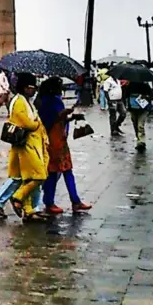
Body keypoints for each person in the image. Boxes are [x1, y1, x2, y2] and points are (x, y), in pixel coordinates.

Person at [37, 77, 91, 215]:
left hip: (59, 139)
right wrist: (66, 113)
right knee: (55, 172)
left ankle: (74, 200)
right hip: (54, 141)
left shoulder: (45, 100)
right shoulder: (50, 102)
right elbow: (54, 118)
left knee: (66, 171)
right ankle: (50, 201)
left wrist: (70, 116)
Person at [0, 73, 49, 221]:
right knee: (40, 176)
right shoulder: (19, 102)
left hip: (34, 144)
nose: (34, 91)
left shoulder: (27, 101)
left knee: (28, 179)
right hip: (26, 145)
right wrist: (37, 124)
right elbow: (26, 123)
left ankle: (29, 211)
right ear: (26, 88)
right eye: (32, 88)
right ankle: (17, 197)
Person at [126, 83, 152, 153]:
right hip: (133, 108)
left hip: (143, 109)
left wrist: (144, 97)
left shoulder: (146, 86)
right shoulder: (130, 85)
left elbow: (150, 96)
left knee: (140, 125)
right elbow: (126, 95)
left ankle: (141, 142)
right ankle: (138, 139)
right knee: (135, 125)